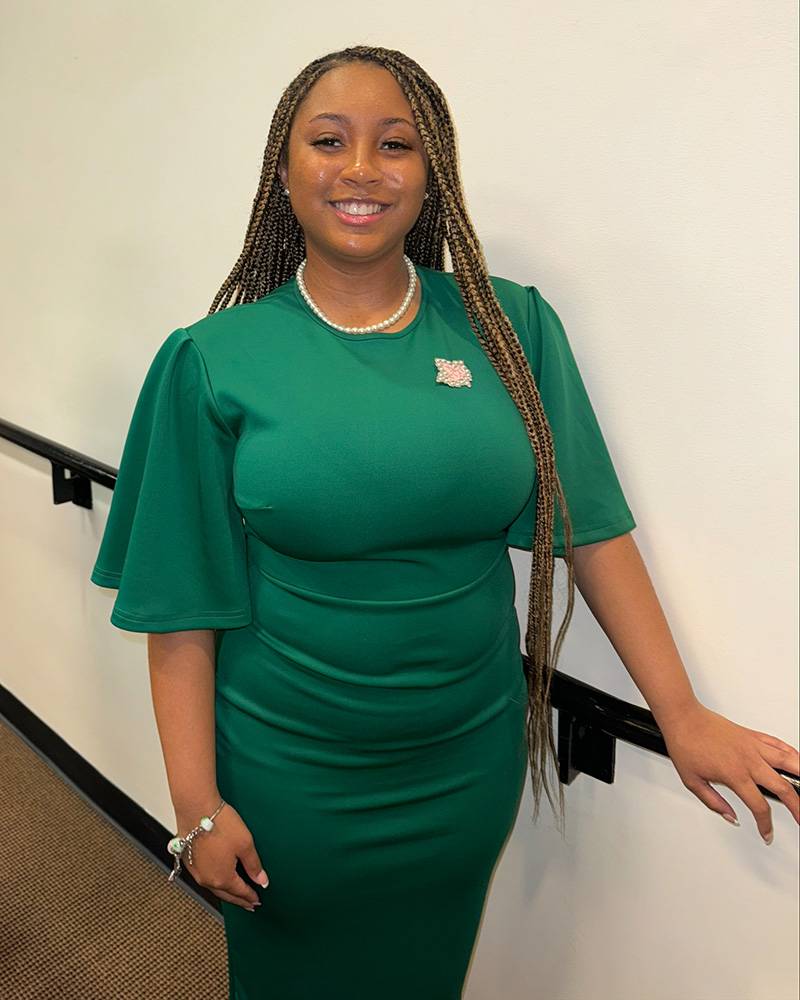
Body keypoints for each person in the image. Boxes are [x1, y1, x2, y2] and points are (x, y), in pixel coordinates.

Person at [89, 44, 800, 1000]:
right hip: (290, 774)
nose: (360, 169)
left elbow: (586, 526)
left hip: (463, 764)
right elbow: (179, 605)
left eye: (397, 145)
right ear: (283, 168)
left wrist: (682, 715)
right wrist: (197, 809)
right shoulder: (213, 360)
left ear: (433, 175)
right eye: (328, 140)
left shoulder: (509, 328)